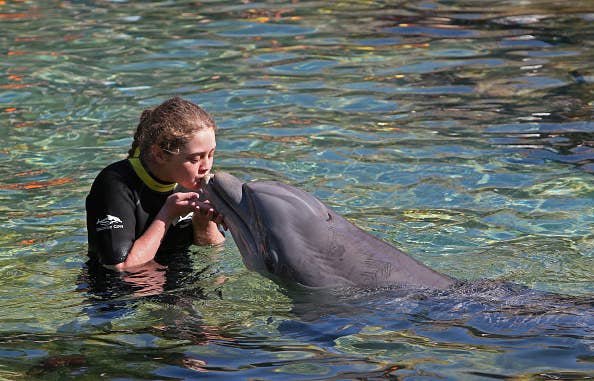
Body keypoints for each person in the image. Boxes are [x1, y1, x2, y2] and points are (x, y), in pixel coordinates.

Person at [86, 96, 225, 272]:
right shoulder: (115, 184)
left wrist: (203, 222)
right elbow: (120, 268)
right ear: (159, 155)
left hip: (177, 279)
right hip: (121, 292)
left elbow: (213, 250)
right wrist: (167, 214)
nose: (206, 167)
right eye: (195, 159)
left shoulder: (194, 180)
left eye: (210, 155)